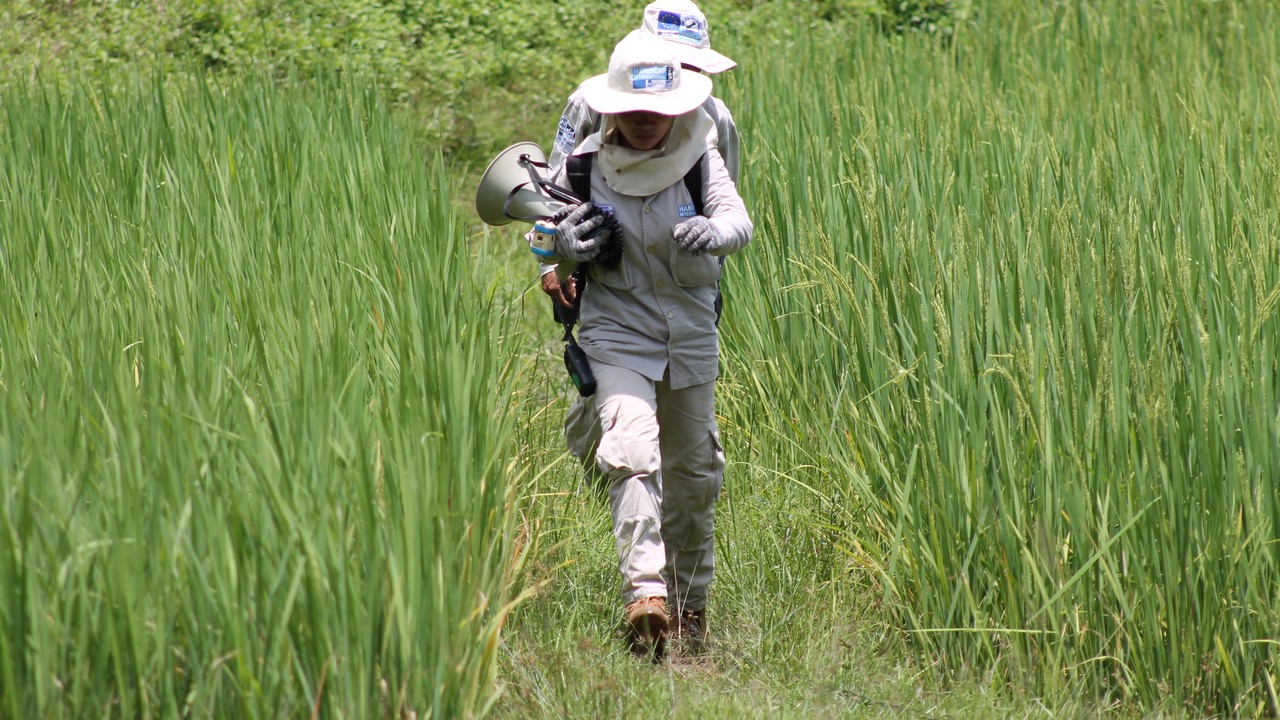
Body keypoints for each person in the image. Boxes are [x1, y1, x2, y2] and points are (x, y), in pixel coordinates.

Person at [531, 29, 752, 659]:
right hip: (615, 328)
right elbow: (544, 237)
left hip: (688, 332)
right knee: (629, 447)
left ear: (679, 107)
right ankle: (645, 594)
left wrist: (713, 231)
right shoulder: (582, 165)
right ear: (612, 109)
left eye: (658, 111)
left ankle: (690, 609)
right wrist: (564, 248)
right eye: (633, 111)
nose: (647, 122)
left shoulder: (701, 154)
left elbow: (738, 219)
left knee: (693, 474)